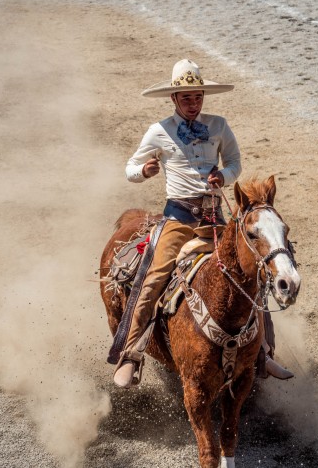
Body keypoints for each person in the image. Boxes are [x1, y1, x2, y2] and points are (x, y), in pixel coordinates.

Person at [113, 59, 292, 388]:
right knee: (152, 277)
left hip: (214, 216)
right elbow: (130, 169)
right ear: (174, 100)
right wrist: (144, 172)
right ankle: (133, 353)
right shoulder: (158, 131)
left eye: (197, 97)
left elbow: (235, 162)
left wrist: (223, 175)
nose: (193, 104)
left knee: (252, 273)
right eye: (186, 98)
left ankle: (264, 353)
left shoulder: (219, 125)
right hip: (177, 217)